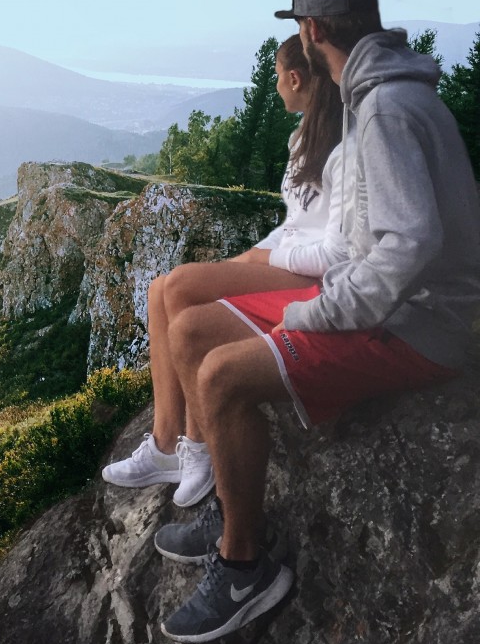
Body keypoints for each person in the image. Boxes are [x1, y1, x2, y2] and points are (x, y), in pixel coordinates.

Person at [155, 0, 480, 644]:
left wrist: (318, 312)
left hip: (416, 322)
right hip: (392, 304)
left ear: (313, 30)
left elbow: (406, 245)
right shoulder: (380, 95)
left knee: (220, 375)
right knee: (190, 331)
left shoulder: (385, 109)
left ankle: (243, 566)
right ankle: (228, 501)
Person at [102, 33, 350, 507]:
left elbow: (336, 253)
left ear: (295, 78)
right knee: (160, 290)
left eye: (278, 77)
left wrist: (264, 260)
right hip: (290, 263)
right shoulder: (306, 137)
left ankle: (198, 448)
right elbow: (296, 225)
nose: (276, 86)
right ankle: (162, 445)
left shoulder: (345, 148)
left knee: (179, 288)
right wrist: (250, 257)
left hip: (317, 278)